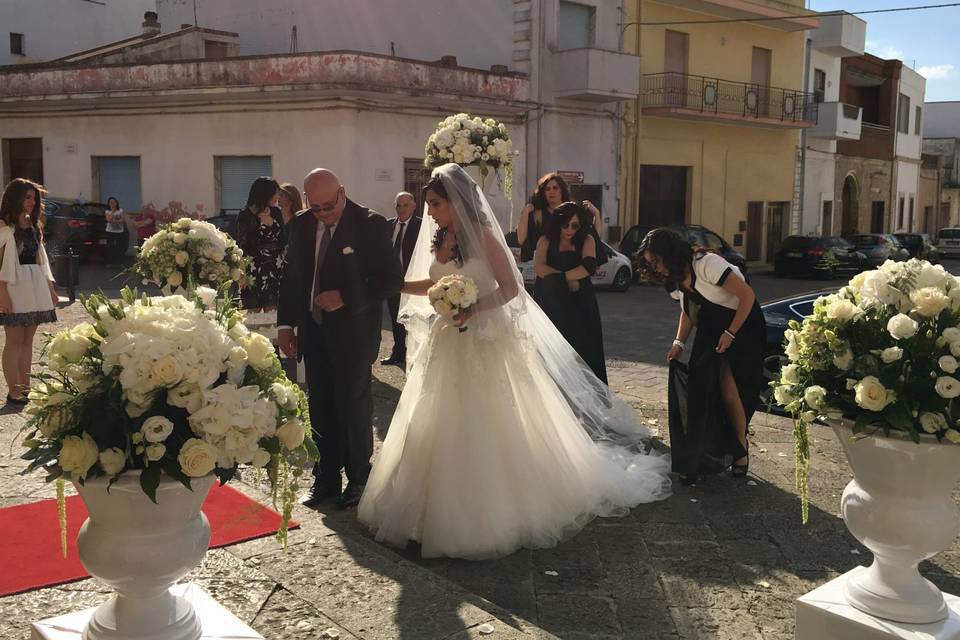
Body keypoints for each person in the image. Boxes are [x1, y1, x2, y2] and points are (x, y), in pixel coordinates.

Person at [357, 164, 671, 560]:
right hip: (448, 341)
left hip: (484, 340)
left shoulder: (484, 237)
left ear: (455, 202)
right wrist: (398, 284)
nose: (431, 212)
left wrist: (472, 309)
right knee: (435, 416)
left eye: (436, 204)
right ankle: (425, 506)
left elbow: (510, 288)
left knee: (486, 420)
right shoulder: (441, 235)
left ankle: (484, 513)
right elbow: (435, 283)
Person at [277, 169, 403, 509]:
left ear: (342, 193)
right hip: (313, 331)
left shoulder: (371, 224)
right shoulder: (301, 226)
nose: (322, 214)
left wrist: (345, 296)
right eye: (315, 207)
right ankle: (325, 478)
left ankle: (359, 478)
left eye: (328, 206)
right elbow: (292, 279)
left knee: (353, 406)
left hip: (354, 333)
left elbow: (390, 281)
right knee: (319, 405)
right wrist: (285, 326)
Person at [639, 229, 766, 485]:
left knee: (730, 391)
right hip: (710, 328)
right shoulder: (674, 279)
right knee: (699, 389)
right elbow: (688, 310)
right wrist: (679, 343)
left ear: (669, 253)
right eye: (649, 263)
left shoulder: (707, 264)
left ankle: (740, 449)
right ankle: (694, 460)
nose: (654, 268)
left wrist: (730, 333)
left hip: (744, 327)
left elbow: (747, 296)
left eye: (655, 261)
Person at [0, 179, 58, 405]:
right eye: (27, 197)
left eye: (34, 198)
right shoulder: (4, 226)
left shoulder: (34, 225)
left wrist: (50, 288)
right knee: (13, 340)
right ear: (15, 198)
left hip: (34, 284)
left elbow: (40, 259)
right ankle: (12, 389)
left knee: (27, 340)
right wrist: (2, 293)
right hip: (13, 285)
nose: (32, 202)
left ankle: (25, 386)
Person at [533, 202, 606, 383]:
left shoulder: (587, 240)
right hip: (552, 302)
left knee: (584, 348)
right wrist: (570, 279)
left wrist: (559, 277)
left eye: (575, 225)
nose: (570, 230)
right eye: (566, 224)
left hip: (581, 303)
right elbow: (540, 268)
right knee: (553, 348)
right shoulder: (545, 241)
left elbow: (588, 267)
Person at [380, 191, 422, 368]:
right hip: (393, 282)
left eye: (405, 205)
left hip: (414, 281)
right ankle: (398, 353)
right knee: (395, 318)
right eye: (398, 205)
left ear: (413, 206)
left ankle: (417, 355)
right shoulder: (388, 225)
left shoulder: (421, 226)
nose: (401, 209)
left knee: (414, 320)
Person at [237, 177, 284, 311]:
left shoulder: (276, 212)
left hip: (274, 267)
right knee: (252, 310)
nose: (278, 196)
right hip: (252, 267)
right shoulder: (245, 214)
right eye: (275, 192)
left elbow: (283, 239)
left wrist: (269, 221)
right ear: (265, 193)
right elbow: (242, 244)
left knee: (273, 310)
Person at [104, 196, 127, 266]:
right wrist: (113, 211)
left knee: (119, 247)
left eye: (114, 202)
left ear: (116, 203)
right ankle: (109, 262)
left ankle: (119, 262)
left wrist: (114, 221)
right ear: (108, 204)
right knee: (110, 247)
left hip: (119, 232)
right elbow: (108, 220)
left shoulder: (121, 210)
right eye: (111, 202)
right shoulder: (107, 211)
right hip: (110, 231)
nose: (112, 204)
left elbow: (123, 220)